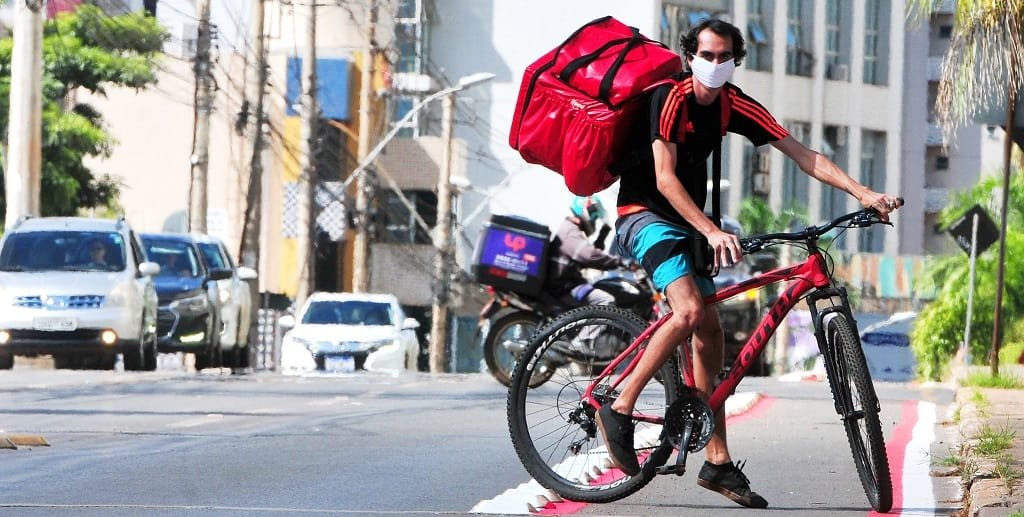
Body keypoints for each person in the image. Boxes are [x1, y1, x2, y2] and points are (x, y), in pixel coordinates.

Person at [596, 18, 902, 509]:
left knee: (710, 334)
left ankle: (716, 461)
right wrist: (713, 231)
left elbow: (804, 156)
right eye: (707, 55)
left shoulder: (733, 104)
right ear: (689, 55)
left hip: (690, 225)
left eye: (724, 58)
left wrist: (866, 193)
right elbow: (665, 178)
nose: (715, 65)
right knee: (690, 311)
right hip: (647, 216)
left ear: (736, 60)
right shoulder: (669, 99)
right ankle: (619, 405)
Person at [545, 197, 631, 347]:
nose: (595, 219)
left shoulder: (570, 229)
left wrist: (603, 235)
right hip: (564, 287)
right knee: (605, 300)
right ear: (585, 210)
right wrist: (620, 262)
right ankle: (580, 344)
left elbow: (588, 255)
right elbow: (589, 255)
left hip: (565, 283)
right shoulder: (570, 230)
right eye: (594, 214)